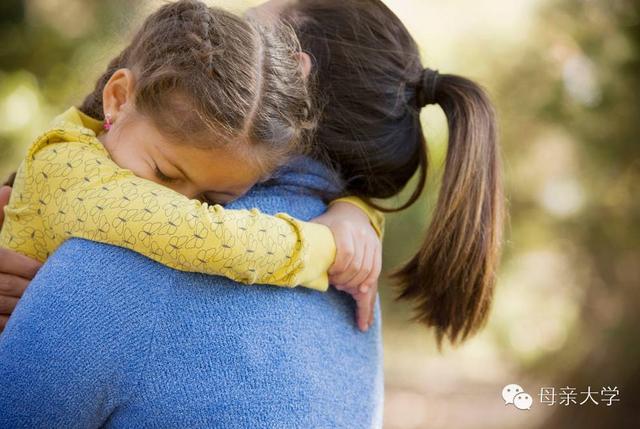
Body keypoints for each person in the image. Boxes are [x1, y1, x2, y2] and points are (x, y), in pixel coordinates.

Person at [0, 0, 383, 328]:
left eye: (213, 198)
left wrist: (356, 210)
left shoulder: (115, 145)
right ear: (118, 98)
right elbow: (206, 236)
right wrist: (329, 247)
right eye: (165, 174)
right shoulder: (72, 171)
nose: (183, 204)